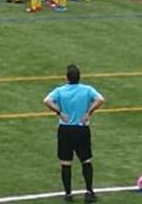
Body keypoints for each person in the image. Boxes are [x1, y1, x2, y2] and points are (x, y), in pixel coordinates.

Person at [43, 64, 105, 203]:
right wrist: (89, 112)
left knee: (66, 162)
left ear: (66, 78)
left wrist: (59, 112)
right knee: (86, 160)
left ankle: (68, 194)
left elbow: (46, 101)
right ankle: (89, 192)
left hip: (65, 130)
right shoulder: (87, 89)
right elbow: (100, 99)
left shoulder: (60, 91)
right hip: (82, 129)